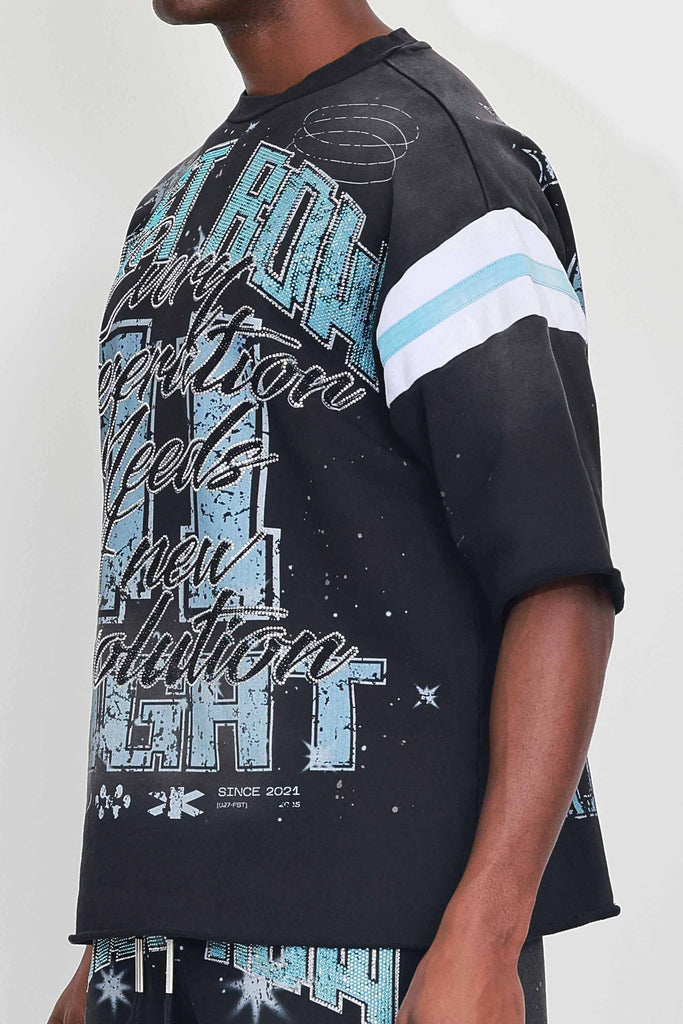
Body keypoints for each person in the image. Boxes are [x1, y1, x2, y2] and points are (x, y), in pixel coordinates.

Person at [48, 2, 624, 1022]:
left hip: (372, 955)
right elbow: (172, 594)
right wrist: (115, 947)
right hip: (151, 958)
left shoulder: (445, 164)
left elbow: (557, 574)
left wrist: (486, 937)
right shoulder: (171, 205)